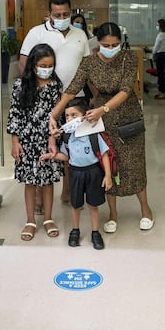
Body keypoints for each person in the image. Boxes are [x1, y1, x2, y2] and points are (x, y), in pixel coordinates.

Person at [49, 22, 153, 233]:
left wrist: (103, 109)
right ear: (98, 43)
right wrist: (54, 114)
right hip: (100, 121)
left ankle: (145, 209)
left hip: (127, 115)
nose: (111, 48)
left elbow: (125, 90)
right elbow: (71, 90)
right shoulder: (88, 62)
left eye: (115, 44)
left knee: (134, 163)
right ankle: (113, 214)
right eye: (106, 44)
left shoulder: (129, 58)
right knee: (107, 165)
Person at [19, 0, 90, 206]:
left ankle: (67, 191)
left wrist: (94, 95)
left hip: (74, 99)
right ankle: (39, 195)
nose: (61, 17)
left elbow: (87, 67)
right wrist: (32, 89)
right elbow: (23, 62)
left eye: (65, 14)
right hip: (43, 100)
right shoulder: (36, 32)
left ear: (72, 12)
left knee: (71, 147)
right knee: (43, 145)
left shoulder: (80, 34)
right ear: (49, 14)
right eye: (57, 14)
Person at [7, 43, 63, 241]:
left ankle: (48, 218)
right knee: (29, 182)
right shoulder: (20, 86)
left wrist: (54, 137)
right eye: (42, 65)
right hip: (26, 140)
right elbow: (15, 114)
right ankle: (30, 220)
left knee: (47, 181)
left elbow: (58, 114)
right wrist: (15, 141)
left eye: (50, 65)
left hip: (48, 140)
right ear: (32, 65)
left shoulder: (56, 86)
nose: (46, 69)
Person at [40, 98, 113, 250]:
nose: (70, 119)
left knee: (93, 204)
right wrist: (51, 155)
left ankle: (95, 233)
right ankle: (75, 231)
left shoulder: (94, 133)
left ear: (84, 116)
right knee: (76, 205)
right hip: (75, 173)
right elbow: (66, 157)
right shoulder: (67, 137)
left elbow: (105, 154)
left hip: (93, 172)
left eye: (74, 115)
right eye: (67, 116)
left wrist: (107, 175)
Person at [151, 18, 165, 99]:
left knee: (160, 75)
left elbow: (156, 47)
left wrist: (153, 53)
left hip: (160, 55)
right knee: (161, 74)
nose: (156, 26)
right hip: (164, 54)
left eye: (157, 25)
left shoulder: (161, 35)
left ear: (161, 26)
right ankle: (161, 92)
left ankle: (162, 92)